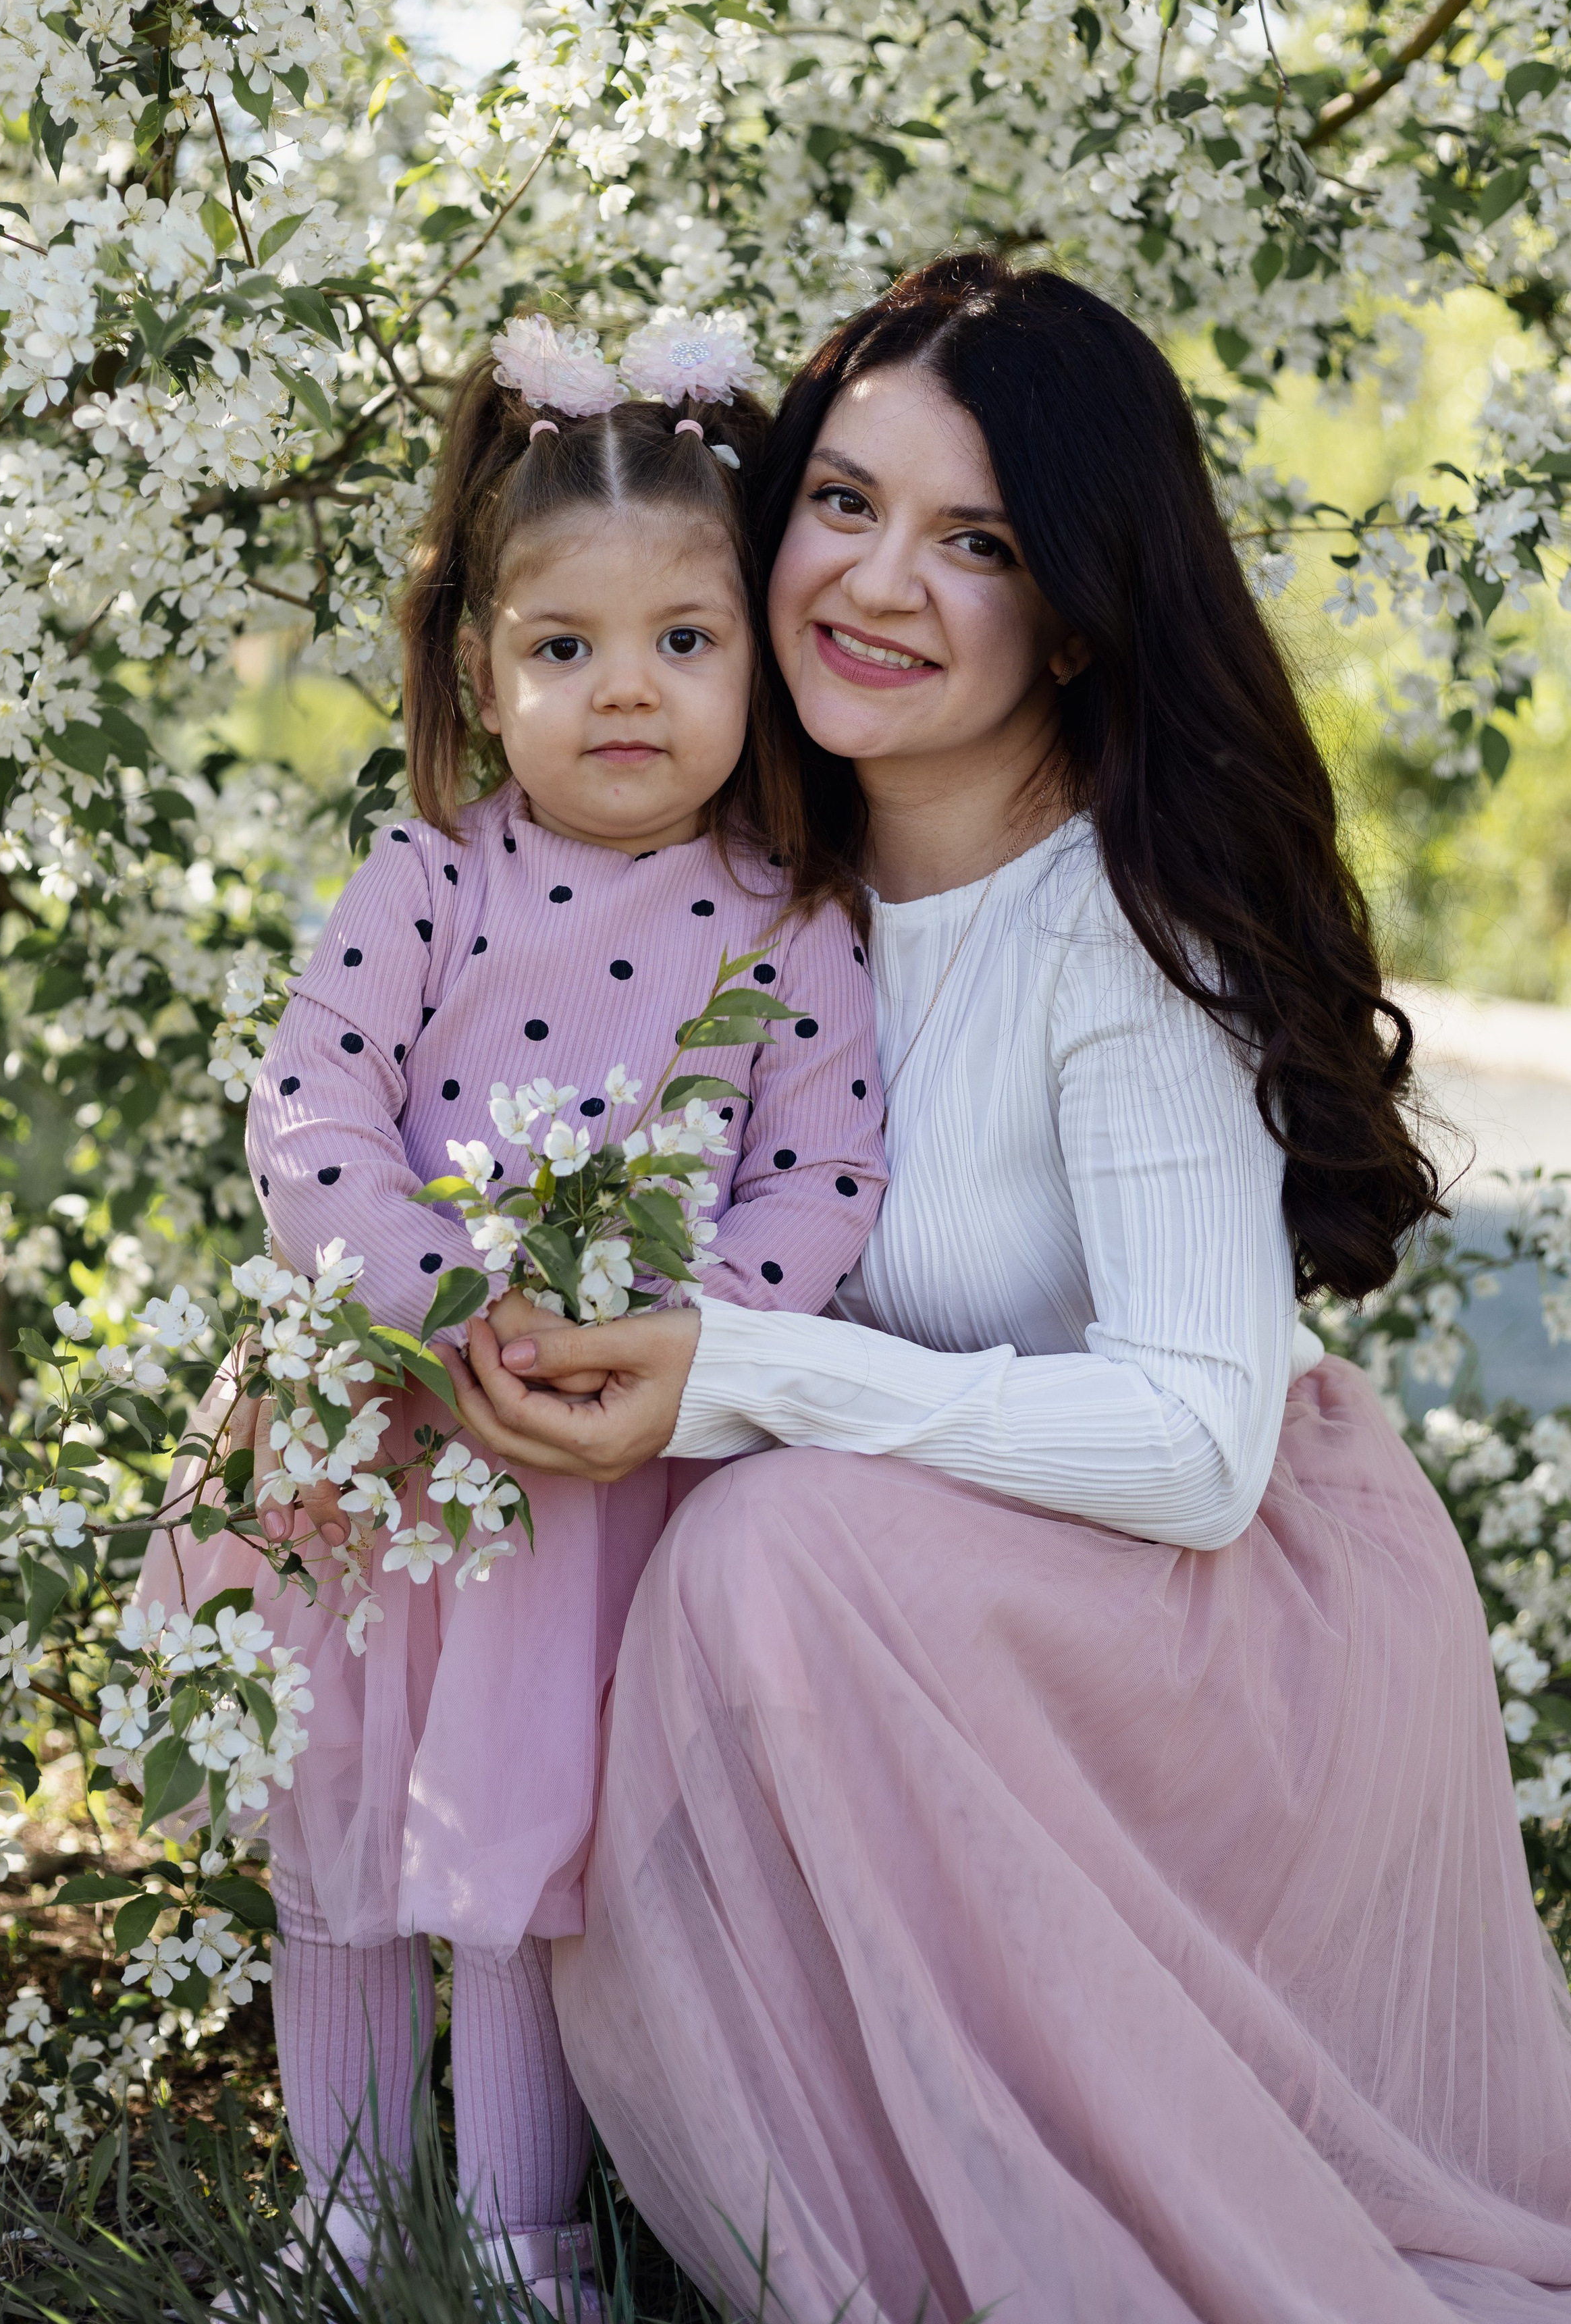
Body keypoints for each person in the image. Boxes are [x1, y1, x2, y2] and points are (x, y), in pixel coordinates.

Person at [440, 257, 1571, 2323]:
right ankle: (546, 2188)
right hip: (933, 1630)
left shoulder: (1123, 950)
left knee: (769, 1542)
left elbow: (1199, 1443)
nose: (877, 583)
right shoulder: (734, 884)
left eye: (977, 541)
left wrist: (746, 1379)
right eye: (845, 504)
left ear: (1073, 608)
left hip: (1198, 1651)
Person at [138, 315, 885, 2309]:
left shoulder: (791, 922)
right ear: (482, 670)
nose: (623, 689)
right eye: (566, 648)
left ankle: (524, 2244)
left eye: (685, 642)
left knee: (536, 1878)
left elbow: (822, 1180)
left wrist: (679, 1341)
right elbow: (313, 1103)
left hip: (592, 1468)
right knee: (344, 1849)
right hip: (385, 1423)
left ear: (765, 662)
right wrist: (433, 1304)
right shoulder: (429, 875)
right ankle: (350, 2225)